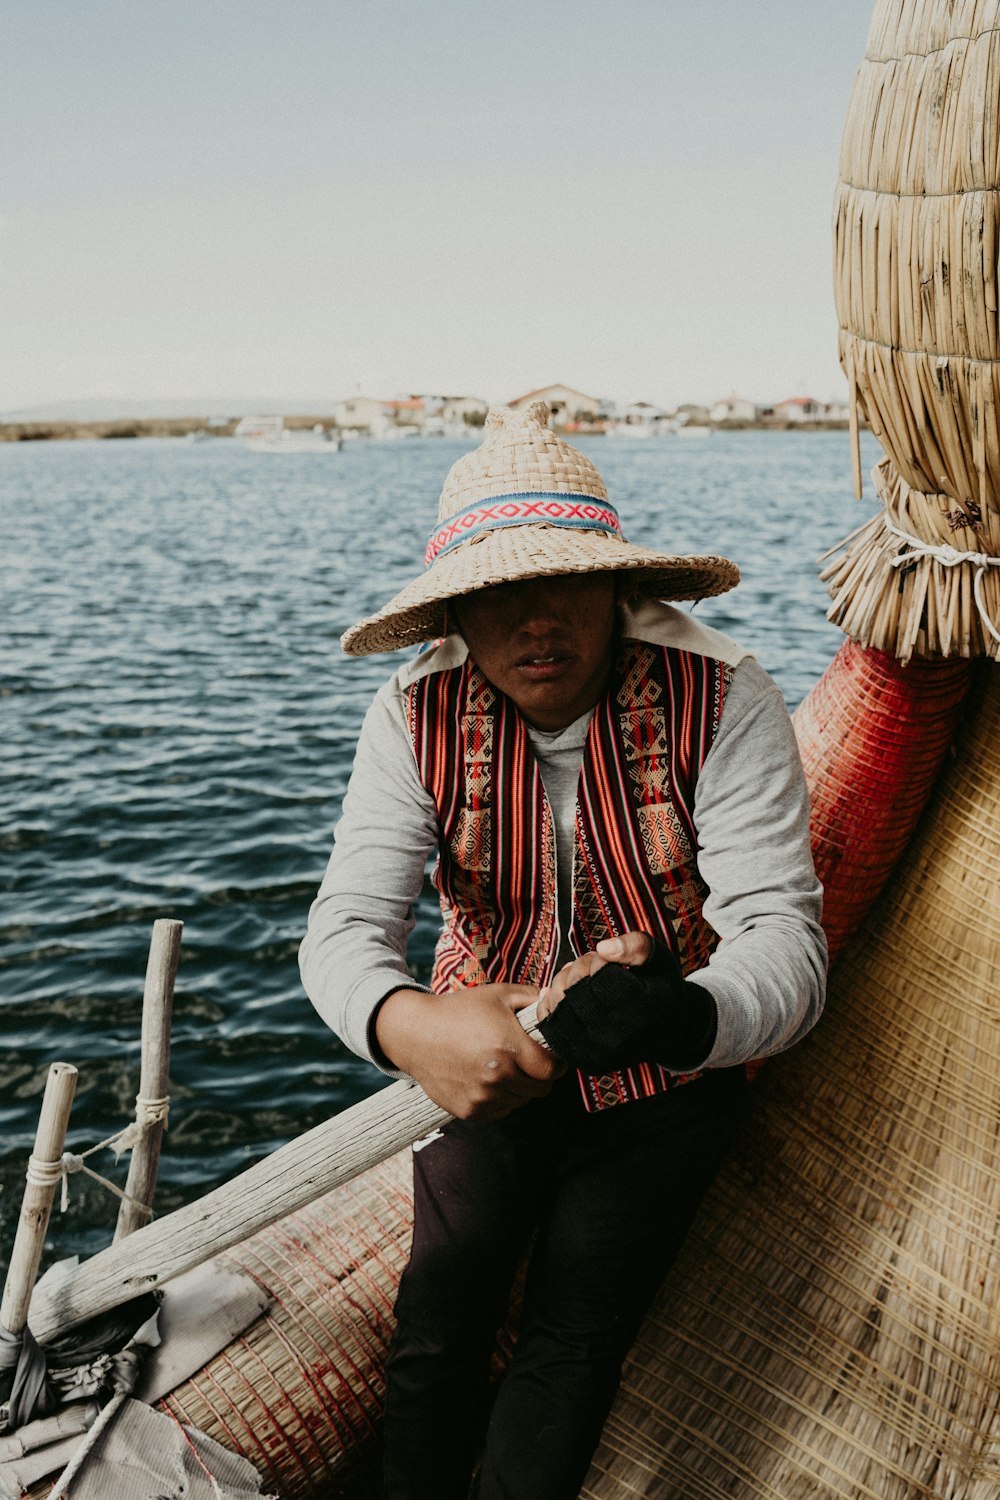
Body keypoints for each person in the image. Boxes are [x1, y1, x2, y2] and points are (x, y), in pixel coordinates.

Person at [299, 402, 827, 1499]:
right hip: (477, 1061)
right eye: (496, 597)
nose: (535, 621)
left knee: (574, 1337)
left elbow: (783, 939)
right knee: (435, 1326)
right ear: (455, 614)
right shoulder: (411, 715)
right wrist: (412, 1027)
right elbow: (345, 929)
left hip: (667, 1071)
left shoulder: (724, 695)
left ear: (620, 590)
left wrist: (684, 1018)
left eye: (565, 585)